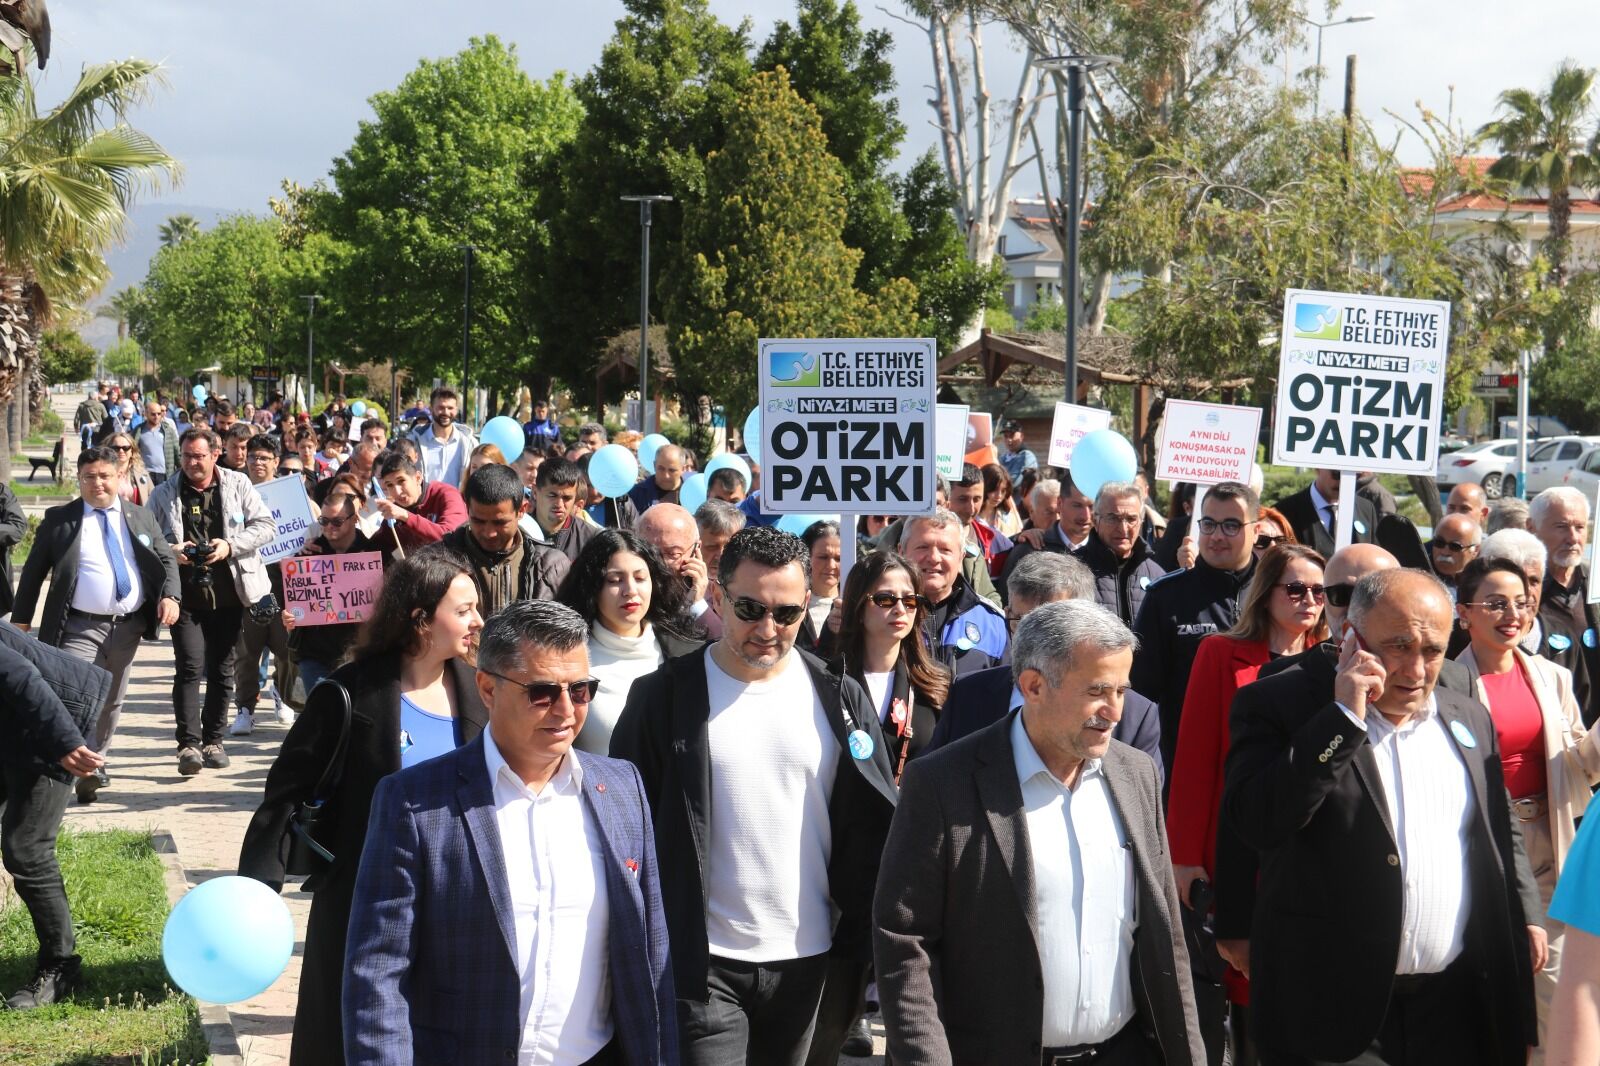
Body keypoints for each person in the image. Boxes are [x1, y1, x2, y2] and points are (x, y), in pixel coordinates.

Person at [1223, 568, 1543, 1066]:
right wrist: (1343, 719)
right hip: (1330, 1017)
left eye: (1432, 651)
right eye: (1399, 647)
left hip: (1452, 1008)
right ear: (1351, 638)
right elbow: (1258, 821)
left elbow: (1496, 825)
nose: (1416, 671)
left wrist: (1525, 913)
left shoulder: (1467, 716)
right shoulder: (1279, 704)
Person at [341, 600, 677, 1064]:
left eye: (580, 690)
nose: (565, 710)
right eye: (542, 692)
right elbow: (378, 971)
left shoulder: (621, 788)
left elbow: (651, 949)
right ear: (488, 688)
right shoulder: (415, 801)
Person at [609, 525, 897, 1066]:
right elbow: (624, 828)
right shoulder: (663, 697)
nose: (768, 629)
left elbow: (872, 823)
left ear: (806, 604)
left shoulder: (839, 696)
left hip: (811, 961)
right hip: (701, 967)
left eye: (786, 613)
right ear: (718, 599)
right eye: (750, 609)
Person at [874, 598, 1206, 1065]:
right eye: (1097, 691)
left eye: (1121, 690)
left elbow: (1165, 931)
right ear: (1033, 686)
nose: (1114, 711)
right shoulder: (943, 784)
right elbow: (905, 941)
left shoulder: (1137, 774)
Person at [239, 546, 486, 1066]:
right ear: (421, 619)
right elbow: (287, 788)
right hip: (362, 899)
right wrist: (257, 889)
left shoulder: (485, 691)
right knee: (350, 1035)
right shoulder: (351, 692)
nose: (477, 621)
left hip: (458, 904)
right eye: (464, 610)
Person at [1166, 543, 1328, 1063]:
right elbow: (1194, 757)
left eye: (1320, 591)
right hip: (1235, 841)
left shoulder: (1331, 661)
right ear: (1266, 593)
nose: (1310, 601)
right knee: (1244, 987)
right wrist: (1184, 856)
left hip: (1306, 847)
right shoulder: (1219, 653)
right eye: (1296, 589)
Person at [805, 549, 953, 1062]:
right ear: (857, 605)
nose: (900, 610)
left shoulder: (935, 687)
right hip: (842, 871)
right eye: (885, 599)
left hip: (914, 865)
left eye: (911, 601)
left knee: (914, 1023)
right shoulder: (824, 681)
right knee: (829, 1025)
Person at [1452, 556, 1600, 1052]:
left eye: (1522, 603)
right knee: (1486, 995)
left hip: (1549, 843)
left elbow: (1581, 765)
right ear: (1464, 613)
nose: (1513, 614)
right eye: (1496, 604)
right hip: (1480, 849)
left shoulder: (1551, 677)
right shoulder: (1446, 683)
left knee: (1555, 990)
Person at [10, 446, 181, 802]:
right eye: (89, 477)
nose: (97, 483)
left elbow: (165, 558)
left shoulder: (139, 516)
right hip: (77, 627)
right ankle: (66, 767)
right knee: (72, 695)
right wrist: (21, 623)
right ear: (79, 479)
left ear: (119, 477)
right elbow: (33, 573)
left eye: (105, 476)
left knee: (112, 699)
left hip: (128, 627)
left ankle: (95, 762)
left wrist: (171, 597)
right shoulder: (61, 520)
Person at [926, 552, 1164, 774]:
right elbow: (935, 782)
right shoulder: (968, 694)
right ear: (1007, 613)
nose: (1033, 640)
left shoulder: (1135, 719)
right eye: (1022, 621)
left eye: (1052, 628)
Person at [147, 427, 276, 775]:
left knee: (222, 668)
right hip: (184, 596)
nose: (192, 463)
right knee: (189, 666)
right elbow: (144, 537)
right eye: (187, 456)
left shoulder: (238, 484)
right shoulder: (163, 493)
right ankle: (188, 745)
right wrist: (171, 551)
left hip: (230, 594)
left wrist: (230, 546)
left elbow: (266, 526)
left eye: (199, 456)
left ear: (215, 454)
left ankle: (213, 741)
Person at [0, 630, 109, 1008]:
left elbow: (21, 678)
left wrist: (65, 742)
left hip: (51, 721)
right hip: (11, 724)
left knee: (26, 848)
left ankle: (60, 966)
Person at [1132, 480, 1260, 776]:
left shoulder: (1276, 593)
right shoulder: (1166, 597)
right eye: (1209, 524)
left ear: (1256, 530)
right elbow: (1141, 693)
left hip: (1260, 763)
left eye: (1231, 525)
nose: (1217, 536)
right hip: (1187, 764)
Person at [557, 529, 704, 756]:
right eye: (615, 580)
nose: (630, 591)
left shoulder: (689, 652)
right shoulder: (565, 658)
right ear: (592, 587)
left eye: (640, 578)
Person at [229, 434, 300, 736]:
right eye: (253, 457)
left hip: (284, 585)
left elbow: (307, 531)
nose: (257, 462)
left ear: (275, 462)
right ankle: (245, 708)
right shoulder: (234, 492)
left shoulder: (292, 495)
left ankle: (282, 694)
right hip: (249, 584)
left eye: (264, 458)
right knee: (247, 651)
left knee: (287, 650)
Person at [440, 463, 569, 619]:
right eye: (479, 521)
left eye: (499, 523)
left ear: (522, 510)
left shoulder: (551, 567)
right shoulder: (440, 560)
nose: (489, 533)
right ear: (467, 509)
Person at [902, 510, 1008, 678]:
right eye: (923, 547)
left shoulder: (992, 623)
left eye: (945, 550)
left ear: (961, 557)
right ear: (901, 552)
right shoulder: (881, 614)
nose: (934, 558)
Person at [1533, 487, 1599, 727]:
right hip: (1548, 729)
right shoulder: (1522, 593)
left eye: (1580, 527)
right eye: (1561, 527)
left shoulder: (1595, 585)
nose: (1572, 538)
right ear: (1532, 528)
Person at [1080, 482, 1168, 625]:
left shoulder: (1157, 575)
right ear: (1095, 520)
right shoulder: (1071, 570)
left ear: (1141, 522)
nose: (1123, 529)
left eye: (1131, 519)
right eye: (1113, 518)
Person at [1000, 474, 1096, 596]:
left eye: (1091, 506)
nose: (1085, 515)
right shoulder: (1027, 551)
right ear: (1060, 503)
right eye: (1077, 506)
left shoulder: (1106, 551)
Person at [636, 503, 720, 641]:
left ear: (696, 550)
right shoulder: (625, 589)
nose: (660, 563)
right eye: (650, 552)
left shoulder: (716, 596)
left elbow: (722, 643)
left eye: (673, 554)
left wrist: (695, 603)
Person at [374, 451, 467, 551]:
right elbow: (381, 546)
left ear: (418, 478)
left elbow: (451, 538)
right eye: (389, 485)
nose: (397, 492)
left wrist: (406, 517)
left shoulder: (447, 494)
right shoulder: (396, 509)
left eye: (401, 481)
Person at [1274, 468, 1379, 555]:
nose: (1343, 480)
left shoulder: (1366, 508)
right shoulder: (1285, 511)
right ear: (1318, 468)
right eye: (1336, 473)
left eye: (1355, 474)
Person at [948, 462, 1013, 576]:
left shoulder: (999, 545)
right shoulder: (924, 539)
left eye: (977, 499)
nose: (971, 508)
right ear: (946, 498)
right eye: (963, 499)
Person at [528, 457, 599, 561]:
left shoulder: (590, 539)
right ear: (535, 492)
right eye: (552, 495)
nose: (559, 504)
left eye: (567, 498)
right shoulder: (518, 531)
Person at [798, 520, 840, 654]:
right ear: (806, 558)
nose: (831, 565)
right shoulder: (789, 605)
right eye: (823, 557)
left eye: (838, 558)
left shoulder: (855, 607)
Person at [1429, 511, 1483, 595]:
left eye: (1455, 546)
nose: (1445, 552)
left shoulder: (1482, 584)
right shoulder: (1417, 576)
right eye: (1439, 543)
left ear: (1475, 550)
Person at [628, 443, 686, 513]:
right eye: (661, 468)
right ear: (654, 465)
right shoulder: (636, 494)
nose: (666, 476)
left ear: (683, 469)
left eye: (672, 470)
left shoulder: (692, 494)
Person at [106, 430, 155, 506]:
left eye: (126, 448)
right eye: (116, 448)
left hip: (138, 513)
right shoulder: (103, 474)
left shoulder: (142, 473)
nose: (121, 451)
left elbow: (153, 497)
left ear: (132, 451)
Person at [138, 401, 178, 486]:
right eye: (153, 414)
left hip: (165, 474)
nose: (156, 417)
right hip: (146, 474)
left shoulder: (168, 431)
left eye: (159, 414)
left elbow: (177, 452)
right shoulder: (138, 431)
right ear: (146, 414)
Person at [979, 462, 1022, 537]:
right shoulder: (970, 516)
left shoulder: (1010, 519)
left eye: (1003, 491)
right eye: (994, 489)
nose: (999, 495)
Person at [997, 417, 1038, 483]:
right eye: (1005, 436)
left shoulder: (1026, 456)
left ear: (1021, 436)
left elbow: (1014, 482)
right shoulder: (1003, 457)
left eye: (1012, 435)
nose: (1009, 440)